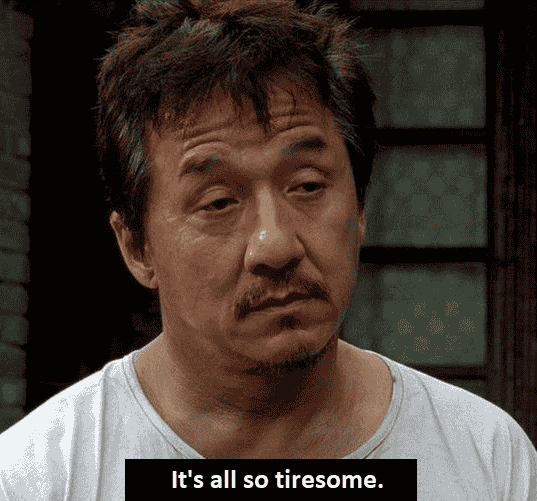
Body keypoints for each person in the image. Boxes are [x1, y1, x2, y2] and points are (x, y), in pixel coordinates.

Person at [1, 0, 536, 499]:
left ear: (360, 208)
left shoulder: (484, 459)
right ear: (137, 247)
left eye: (307, 185)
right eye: (218, 202)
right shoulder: (42, 477)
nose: (275, 246)